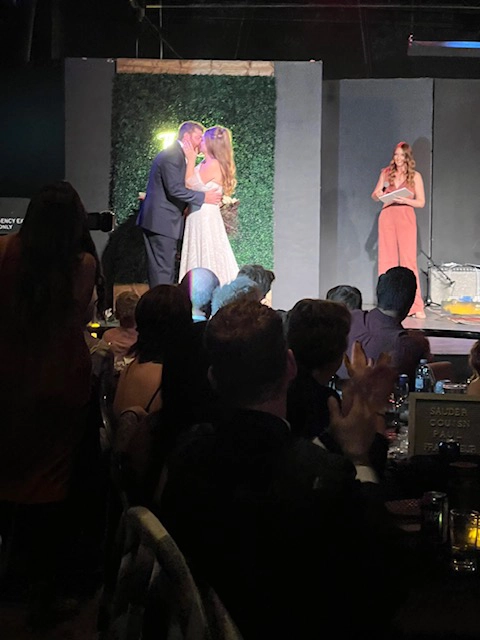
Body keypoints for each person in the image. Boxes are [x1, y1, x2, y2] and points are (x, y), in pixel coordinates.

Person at [160, 300, 407, 640]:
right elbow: (387, 584)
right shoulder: (324, 481)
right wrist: (360, 461)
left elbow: (274, 455)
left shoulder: (187, 456)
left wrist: (337, 439)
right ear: (290, 365)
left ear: (214, 378)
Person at [137, 121, 222, 287]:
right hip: (162, 222)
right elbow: (175, 189)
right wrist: (203, 197)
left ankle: (161, 299)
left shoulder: (177, 155)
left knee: (162, 269)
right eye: (198, 137)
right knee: (163, 270)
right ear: (187, 136)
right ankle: (163, 302)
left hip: (162, 221)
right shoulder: (173, 155)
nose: (200, 142)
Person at [337, 266, 431, 389]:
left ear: (378, 293)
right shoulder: (412, 345)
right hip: (380, 400)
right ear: (411, 302)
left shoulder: (349, 319)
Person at [179, 125, 239, 286]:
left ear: (211, 144)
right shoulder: (207, 162)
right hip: (198, 213)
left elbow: (189, 184)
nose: (200, 142)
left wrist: (191, 159)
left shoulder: (213, 164)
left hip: (204, 215)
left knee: (207, 248)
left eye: (203, 140)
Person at [372, 141, 426, 318]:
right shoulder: (386, 173)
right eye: (396, 155)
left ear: (407, 157)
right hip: (388, 216)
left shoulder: (415, 176)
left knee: (408, 262)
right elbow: (375, 194)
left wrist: (405, 200)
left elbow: (421, 202)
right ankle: (386, 305)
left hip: (405, 216)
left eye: (402, 155)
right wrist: (380, 194)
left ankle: (416, 306)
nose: (398, 158)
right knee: (387, 261)